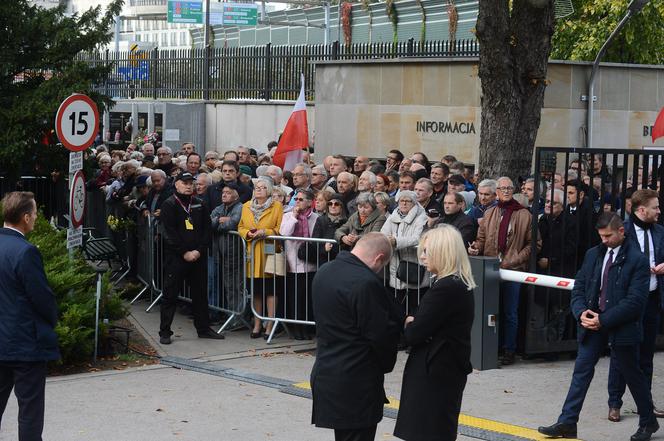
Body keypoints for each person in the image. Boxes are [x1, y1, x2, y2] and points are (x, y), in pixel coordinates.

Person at [538, 212, 658, 441]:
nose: (604, 240)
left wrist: (603, 319)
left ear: (621, 231)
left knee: (632, 375)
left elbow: (635, 302)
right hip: (592, 324)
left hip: (620, 327)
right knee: (580, 373)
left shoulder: (637, 260)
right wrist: (581, 312)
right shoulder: (593, 254)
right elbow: (580, 287)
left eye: (608, 236)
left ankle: (648, 422)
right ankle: (567, 422)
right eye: (601, 236)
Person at [310, 232, 403, 441]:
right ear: (379, 258)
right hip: (357, 379)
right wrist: (387, 362)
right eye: (382, 265)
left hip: (327, 371)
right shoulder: (365, 282)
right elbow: (379, 334)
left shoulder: (325, 271)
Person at [393, 226, 475, 441]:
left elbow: (414, 333)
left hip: (435, 369)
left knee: (426, 430)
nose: (421, 256)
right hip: (444, 366)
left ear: (443, 251)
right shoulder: (457, 282)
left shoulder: (445, 288)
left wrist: (410, 323)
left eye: (427, 251)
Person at [0, 192, 59, 441]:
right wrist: (52, 319)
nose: (35, 218)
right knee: (30, 413)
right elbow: (42, 298)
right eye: (34, 214)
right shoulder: (26, 252)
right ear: (25, 217)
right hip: (25, 344)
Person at [468, 176, 538, 366]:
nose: (506, 191)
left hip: (512, 269)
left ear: (514, 190)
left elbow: (534, 244)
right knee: (491, 310)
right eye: (502, 188)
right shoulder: (490, 212)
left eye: (509, 188)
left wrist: (513, 261)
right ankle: (492, 347)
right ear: (496, 192)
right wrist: (475, 247)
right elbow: (481, 239)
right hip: (490, 268)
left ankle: (509, 349)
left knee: (510, 312)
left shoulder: (524, 214)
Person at [607, 189, 664, 422]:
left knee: (646, 355)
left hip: (651, 300)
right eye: (655, 207)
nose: (659, 211)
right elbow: (609, 261)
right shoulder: (623, 232)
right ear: (642, 210)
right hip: (627, 303)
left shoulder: (660, 232)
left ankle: (645, 403)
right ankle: (615, 403)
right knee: (621, 353)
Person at [158, 172, 224, 344]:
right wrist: (184, 252)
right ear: (177, 184)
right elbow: (168, 233)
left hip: (198, 257)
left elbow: (206, 230)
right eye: (184, 182)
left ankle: (203, 328)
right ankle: (165, 331)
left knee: (200, 295)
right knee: (170, 295)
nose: (188, 186)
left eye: (191, 183)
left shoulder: (199, 204)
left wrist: (199, 251)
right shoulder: (169, 204)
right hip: (177, 258)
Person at [238, 177, 284, 339]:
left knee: (270, 290)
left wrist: (266, 232)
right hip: (252, 253)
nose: (259, 189)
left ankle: (269, 324)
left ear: (269, 191)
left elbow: (280, 229)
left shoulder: (277, 206)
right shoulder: (246, 206)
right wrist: (247, 234)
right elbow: (241, 226)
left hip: (269, 252)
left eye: (263, 187)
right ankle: (257, 323)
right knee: (256, 291)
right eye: (257, 187)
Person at [381, 190, 429, 314]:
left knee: (415, 304)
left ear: (414, 203)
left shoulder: (421, 217)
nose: (404, 203)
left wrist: (396, 241)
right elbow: (383, 233)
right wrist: (388, 240)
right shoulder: (393, 216)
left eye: (408, 201)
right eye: (402, 200)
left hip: (414, 265)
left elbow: (418, 238)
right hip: (396, 264)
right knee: (397, 305)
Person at [279, 189, 319, 340]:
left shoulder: (315, 217)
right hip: (293, 262)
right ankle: (296, 328)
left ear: (310, 202)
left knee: (307, 298)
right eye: (296, 199)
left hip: (309, 262)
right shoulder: (288, 215)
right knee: (295, 297)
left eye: (301, 199)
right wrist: (294, 217)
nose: (298, 202)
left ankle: (307, 328)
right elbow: (284, 233)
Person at [210, 183, 244, 313]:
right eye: (223, 192)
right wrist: (219, 220)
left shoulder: (240, 207)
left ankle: (239, 316)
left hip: (236, 254)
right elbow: (209, 222)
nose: (224, 194)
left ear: (236, 196)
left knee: (238, 286)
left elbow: (233, 223)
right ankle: (232, 314)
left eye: (228, 193)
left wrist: (218, 224)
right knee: (228, 286)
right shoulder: (220, 208)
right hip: (223, 254)